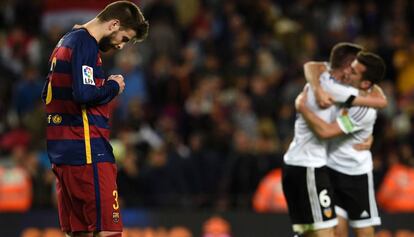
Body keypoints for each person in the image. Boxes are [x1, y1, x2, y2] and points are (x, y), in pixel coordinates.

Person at [41, 1, 149, 237]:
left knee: (79, 233)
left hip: (65, 155)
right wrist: (112, 86)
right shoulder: (84, 43)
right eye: (124, 38)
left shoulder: (65, 42)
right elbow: (83, 94)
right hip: (88, 154)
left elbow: (49, 95)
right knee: (108, 231)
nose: (121, 46)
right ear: (114, 24)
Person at [282, 43, 386, 237]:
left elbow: (313, 65)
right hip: (309, 167)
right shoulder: (336, 90)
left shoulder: (323, 81)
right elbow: (326, 132)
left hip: (311, 166)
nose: (352, 73)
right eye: (353, 68)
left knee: (312, 231)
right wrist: (302, 107)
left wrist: (367, 132)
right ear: (347, 69)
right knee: (326, 232)